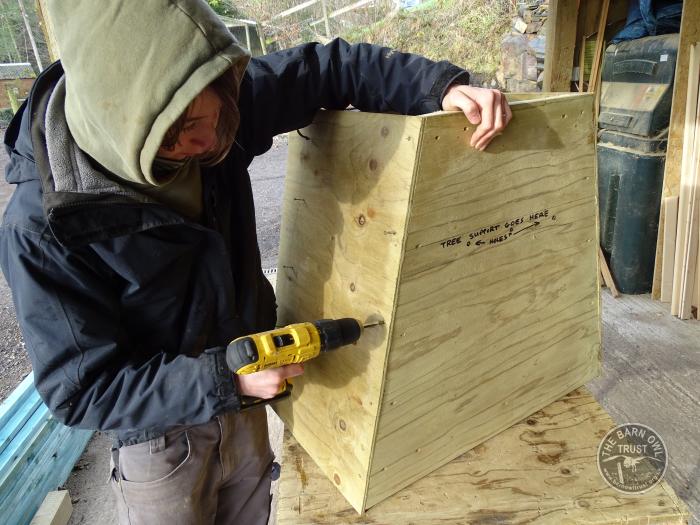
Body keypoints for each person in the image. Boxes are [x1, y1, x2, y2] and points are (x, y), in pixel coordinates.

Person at [0, 1, 511, 523]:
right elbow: (82, 390)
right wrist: (223, 379)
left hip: (248, 394)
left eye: (215, 117)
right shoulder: (44, 228)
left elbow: (327, 68)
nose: (207, 142)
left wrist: (438, 87)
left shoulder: (212, 105)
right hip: (157, 436)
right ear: (123, 123)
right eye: (182, 131)